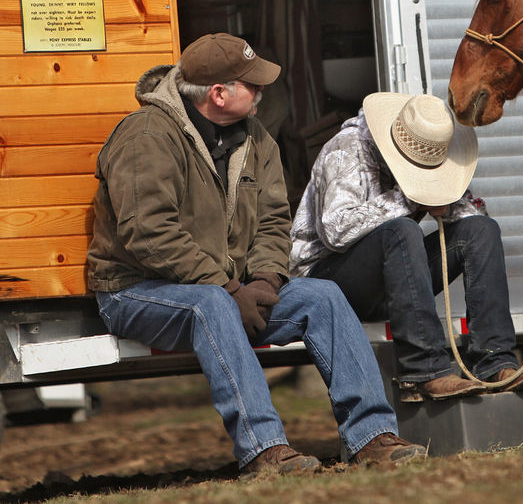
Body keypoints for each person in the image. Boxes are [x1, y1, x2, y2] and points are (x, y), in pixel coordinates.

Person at [86, 33, 425, 476]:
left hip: (231, 291)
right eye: (253, 84)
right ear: (219, 93)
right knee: (211, 306)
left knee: (322, 295)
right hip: (134, 291)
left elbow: (272, 221)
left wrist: (265, 282)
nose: (263, 91)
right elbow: (148, 234)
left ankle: (372, 437)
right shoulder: (146, 135)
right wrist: (228, 288)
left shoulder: (257, 139)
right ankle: (263, 451)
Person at [289, 92, 523, 402]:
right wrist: (409, 198)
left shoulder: (432, 151)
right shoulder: (346, 149)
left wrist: (446, 199)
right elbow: (335, 230)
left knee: (481, 230)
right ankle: (427, 371)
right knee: (402, 230)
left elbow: (472, 212)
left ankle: (495, 361)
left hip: (389, 277)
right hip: (326, 279)